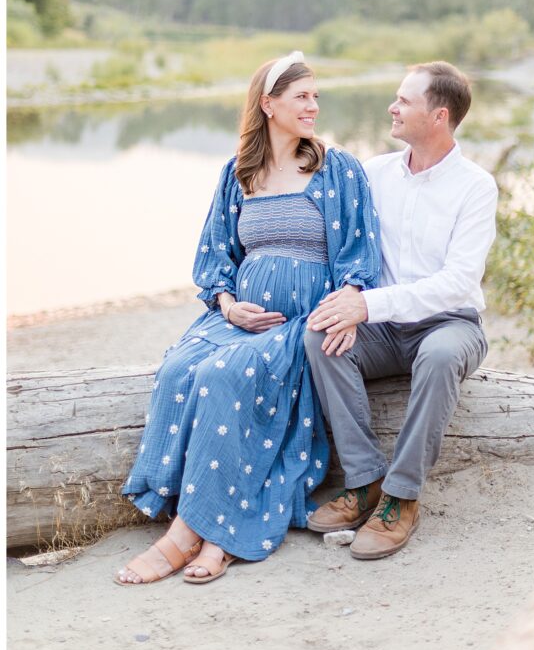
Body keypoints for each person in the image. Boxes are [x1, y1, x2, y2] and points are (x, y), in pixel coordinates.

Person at [116, 52, 380, 585]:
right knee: (176, 371)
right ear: (269, 104)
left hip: (300, 320)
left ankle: (195, 536)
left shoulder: (339, 169)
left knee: (222, 378)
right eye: (302, 96)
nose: (314, 105)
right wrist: (228, 305)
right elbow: (215, 258)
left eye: (316, 96)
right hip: (234, 320)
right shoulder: (238, 174)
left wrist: (348, 305)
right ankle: (202, 526)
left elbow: (359, 253)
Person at [305, 61, 498, 560]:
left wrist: (367, 304)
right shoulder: (374, 173)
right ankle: (366, 479)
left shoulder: (476, 186)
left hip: (450, 324)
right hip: (384, 329)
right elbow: (333, 228)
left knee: (437, 358)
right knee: (317, 337)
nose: (392, 107)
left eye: (404, 101)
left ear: (439, 115)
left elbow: (457, 282)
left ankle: (402, 496)